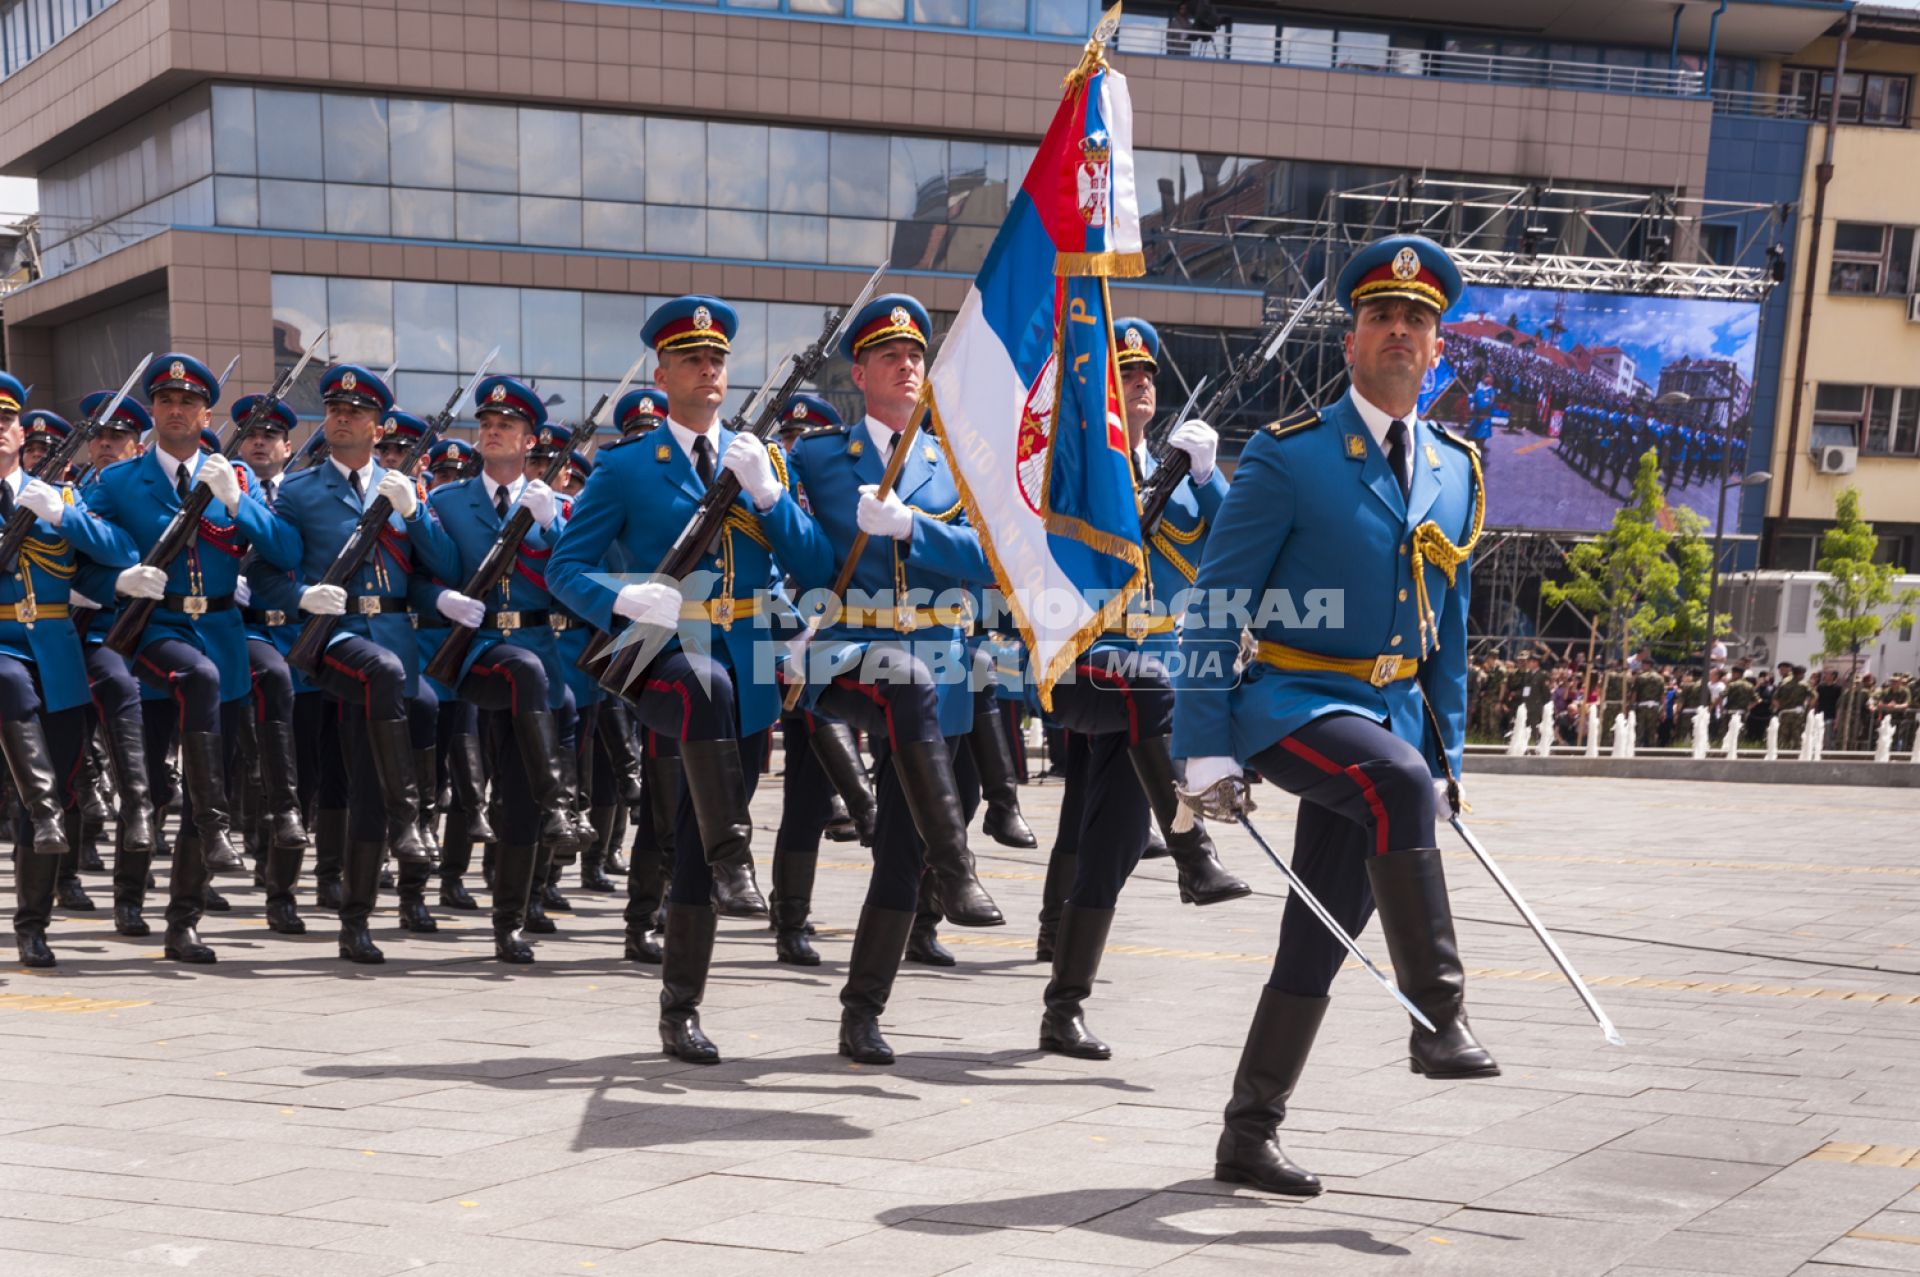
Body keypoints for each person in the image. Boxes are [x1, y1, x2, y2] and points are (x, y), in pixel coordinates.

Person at [1175, 235, 1494, 1199]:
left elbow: (1451, 626)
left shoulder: (1456, 465)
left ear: (1438, 347)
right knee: (1390, 784)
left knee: (1320, 927)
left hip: (1391, 714)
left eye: (1419, 320)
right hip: (1294, 699)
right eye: (1381, 316)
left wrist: (1446, 753)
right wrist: (1201, 746)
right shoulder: (1289, 455)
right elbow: (1215, 605)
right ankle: (1440, 1015)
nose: (1400, 330)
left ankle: (1247, 1133)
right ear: (1350, 338)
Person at [549, 295, 832, 1063]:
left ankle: (681, 1007)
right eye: (692, 358)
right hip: (666, 654)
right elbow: (565, 569)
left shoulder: (758, 459)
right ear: (662, 371)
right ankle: (736, 856)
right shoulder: (628, 466)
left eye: (718, 359)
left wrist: (770, 496)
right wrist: (622, 597)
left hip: (749, 661)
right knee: (704, 715)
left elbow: (816, 568)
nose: (709, 369)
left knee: (691, 836)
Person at [786, 293, 1007, 1065]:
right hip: (853, 656)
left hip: (939, 667)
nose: (907, 365)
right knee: (902, 690)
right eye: (890, 355)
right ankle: (962, 869)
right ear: (860, 371)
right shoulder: (817, 457)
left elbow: (992, 561)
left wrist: (917, 527)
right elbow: (797, 558)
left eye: (915, 355)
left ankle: (861, 1011)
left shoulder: (956, 460)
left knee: (902, 850)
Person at [85, 354, 302, 963]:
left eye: (188, 402)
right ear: (153, 412)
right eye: (165, 401)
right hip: (153, 635)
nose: (175, 410)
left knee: (219, 773)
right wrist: (120, 583)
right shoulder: (119, 481)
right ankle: (132, 893)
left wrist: (240, 504)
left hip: (223, 638)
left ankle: (184, 920)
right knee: (151, 782)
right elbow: (82, 568)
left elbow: (284, 551)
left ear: (206, 413)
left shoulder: (235, 477)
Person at [257, 365, 462, 963]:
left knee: (370, 779)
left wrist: (417, 514)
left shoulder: (405, 491)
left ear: (378, 426)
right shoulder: (298, 491)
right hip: (332, 639)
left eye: (356, 411)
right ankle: (410, 816)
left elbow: (441, 569)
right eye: (334, 409)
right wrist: (298, 597)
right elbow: (266, 571)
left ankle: (356, 919)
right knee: (387, 682)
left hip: (392, 644)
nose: (341, 417)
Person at [0, 377, 140, 965]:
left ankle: (32, 924)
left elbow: (120, 551)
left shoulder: (58, 495)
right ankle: (43, 809)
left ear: (19, 432)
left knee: (57, 776)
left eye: (5, 420)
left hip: (55, 652)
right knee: (8, 684)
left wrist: (61, 514)